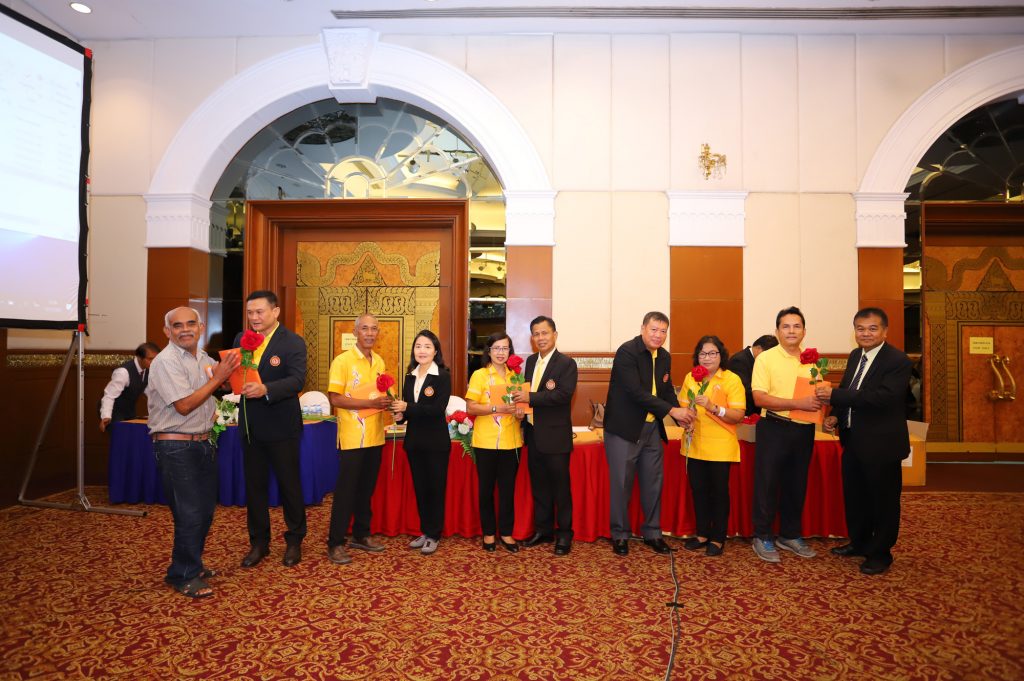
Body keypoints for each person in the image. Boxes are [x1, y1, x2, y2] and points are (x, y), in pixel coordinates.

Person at [146, 307, 239, 598]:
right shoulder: (165, 361)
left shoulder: (204, 359)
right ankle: (184, 574)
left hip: (203, 443)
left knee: (205, 511)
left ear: (201, 327)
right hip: (176, 446)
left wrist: (229, 377)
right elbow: (184, 405)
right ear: (167, 331)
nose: (185, 329)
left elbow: (219, 386)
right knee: (189, 513)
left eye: (190, 324)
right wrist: (218, 379)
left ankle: (190, 565)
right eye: (177, 326)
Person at [816, 308, 912, 575]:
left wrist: (834, 396)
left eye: (872, 328)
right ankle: (859, 542)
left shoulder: (898, 360)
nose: (865, 334)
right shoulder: (856, 355)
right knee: (856, 497)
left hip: (881, 445)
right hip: (853, 441)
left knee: (883, 501)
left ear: (884, 331)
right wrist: (835, 415)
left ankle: (880, 553)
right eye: (860, 328)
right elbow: (850, 388)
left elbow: (882, 398)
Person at [603, 311, 694, 556]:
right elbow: (636, 393)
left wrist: (679, 413)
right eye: (654, 329)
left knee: (653, 484)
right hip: (624, 429)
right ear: (643, 328)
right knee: (621, 485)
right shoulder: (627, 352)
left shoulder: (664, 356)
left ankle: (652, 533)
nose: (658, 335)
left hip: (652, 428)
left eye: (663, 331)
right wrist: (672, 410)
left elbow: (666, 390)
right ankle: (620, 534)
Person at [234, 290, 308, 569]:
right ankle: (259, 543)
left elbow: (297, 380)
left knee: (290, 485)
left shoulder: (292, 342)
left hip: (281, 426)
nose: (254, 317)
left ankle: (294, 539)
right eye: (250, 312)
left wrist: (266, 388)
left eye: (259, 312)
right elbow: (236, 373)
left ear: (275, 311)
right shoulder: (240, 340)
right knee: (255, 488)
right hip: (251, 426)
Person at [750, 306, 823, 563]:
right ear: (777, 331)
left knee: (797, 484)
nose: (792, 331)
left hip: (804, 430)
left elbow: (815, 396)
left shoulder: (811, 360)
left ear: (804, 331)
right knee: (767, 484)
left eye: (797, 326)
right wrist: (797, 403)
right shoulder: (765, 359)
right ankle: (762, 535)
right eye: (786, 326)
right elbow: (759, 398)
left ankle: (790, 534)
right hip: (774, 428)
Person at [325, 314, 393, 565]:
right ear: (355, 332)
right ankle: (335, 542)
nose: (370, 333)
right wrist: (370, 403)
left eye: (374, 329)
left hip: (375, 434)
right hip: (353, 436)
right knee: (346, 491)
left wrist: (389, 402)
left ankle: (361, 535)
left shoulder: (379, 361)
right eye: (365, 328)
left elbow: (380, 394)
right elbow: (335, 398)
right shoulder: (342, 361)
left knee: (366, 489)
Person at [513, 316, 578, 556]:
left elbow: (563, 395)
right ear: (532, 338)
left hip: (556, 438)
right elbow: (525, 395)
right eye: (536, 334)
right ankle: (543, 530)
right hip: (533, 435)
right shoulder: (531, 362)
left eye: (545, 333)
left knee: (561, 489)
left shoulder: (566, 364)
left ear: (555, 335)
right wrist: (521, 410)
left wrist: (529, 398)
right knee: (539, 487)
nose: (541, 338)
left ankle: (565, 534)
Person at [680, 335, 746, 557]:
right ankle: (702, 534)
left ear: (721, 355)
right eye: (703, 353)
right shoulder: (691, 377)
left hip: (720, 446)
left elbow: (738, 415)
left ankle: (718, 537)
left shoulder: (731, 379)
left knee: (718, 492)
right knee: (698, 490)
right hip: (695, 443)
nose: (707, 358)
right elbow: (682, 409)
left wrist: (714, 407)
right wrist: (685, 420)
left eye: (712, 353)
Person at [390, 330, 452, 556]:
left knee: (435, 489)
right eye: (418, 346)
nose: (422, 351)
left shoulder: (442, 376)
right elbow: (410, 411)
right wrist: (400, 415)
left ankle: (434, 534)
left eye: (427, 346)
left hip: (436, 443)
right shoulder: (410, 376)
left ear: (435, 351)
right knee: (421, 489)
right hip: (414, 442)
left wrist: (408, 408)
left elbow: (436, 410)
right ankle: (425, 531)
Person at [465, 332, 524, 553]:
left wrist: (520, 413)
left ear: (510, 351)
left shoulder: (515, 377)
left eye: (505, 348)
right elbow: (471, 407)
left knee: (508, 491)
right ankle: (489, 533)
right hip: (485, 442)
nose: (501, 352)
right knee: (486, 490)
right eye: (496, 348)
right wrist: (496, 408)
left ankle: (506, 533)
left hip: (511, 442)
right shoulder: (480, 375)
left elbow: (521, 409)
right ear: (488, 351)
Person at [99, 342, 160, 431]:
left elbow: (151, 394)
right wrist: (106, 416)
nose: (154, 362)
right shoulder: (123, 372)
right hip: (114, 412)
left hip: (129, 411)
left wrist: (155, 415)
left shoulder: (148, 370)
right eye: (150, 359)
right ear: (139, 357)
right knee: (120, 437)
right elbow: (109, 396)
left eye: (156, 359)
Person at [727, 335, 778, 417]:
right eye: (768, 355)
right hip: (746, 412)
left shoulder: (758, 360)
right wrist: (767, 399)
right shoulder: (739, 361)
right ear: (758, 348)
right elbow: (746, 390)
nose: (769, 359)